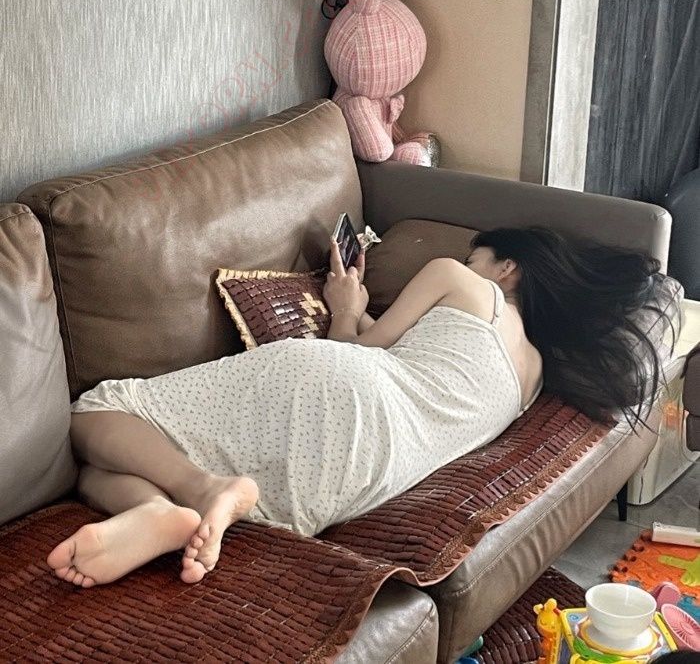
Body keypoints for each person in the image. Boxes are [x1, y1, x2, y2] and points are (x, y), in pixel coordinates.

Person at [46, 227, 672, 589]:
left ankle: (200, 487)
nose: (470, 263)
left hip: (340, 385)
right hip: (369, 471)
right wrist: (366, 311)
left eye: (478, 256)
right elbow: (416, 366)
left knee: (94, 415)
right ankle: (161, 512)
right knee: (92, 474)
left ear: (506, 268)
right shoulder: (531, 379)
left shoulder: (460, 280)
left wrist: (345, 305)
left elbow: (359, 350)